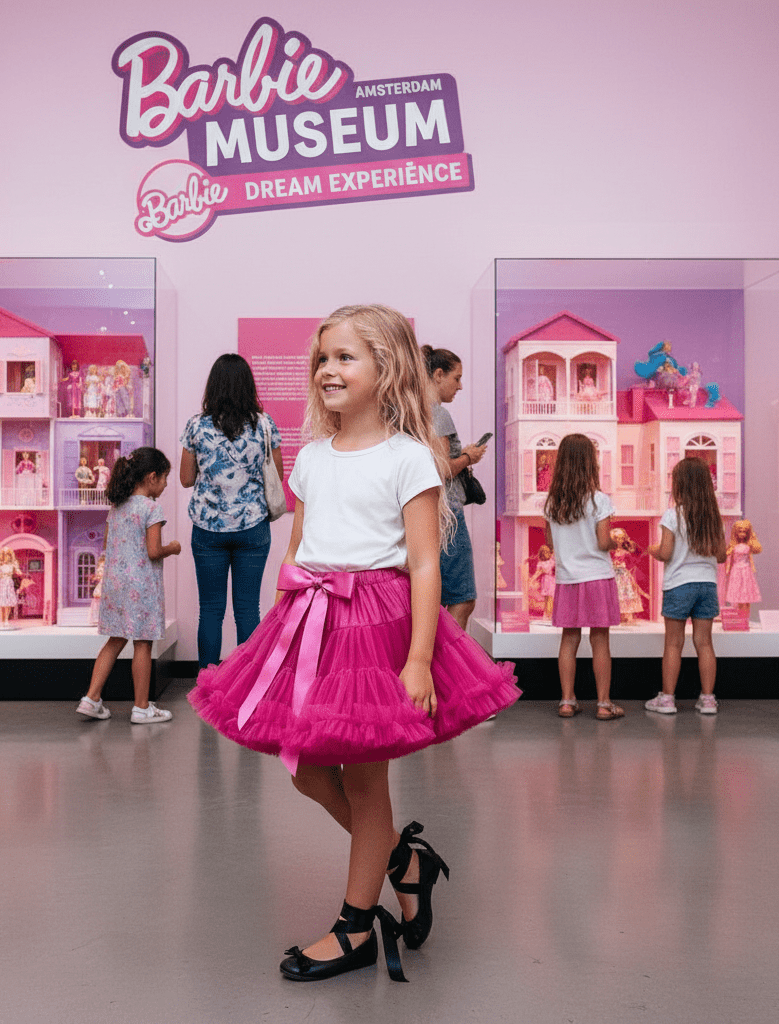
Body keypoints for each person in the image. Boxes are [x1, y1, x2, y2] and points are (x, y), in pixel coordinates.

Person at [188, 305, 520, 984]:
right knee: (308, 769)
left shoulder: (409, 459)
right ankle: (406, 861)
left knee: (367, 782)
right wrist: (273, 639)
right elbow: (298, 548)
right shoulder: (310, 457)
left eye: (345, 357)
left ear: (386, 368)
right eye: (322, 359)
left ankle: (355, 928)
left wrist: (421, 656)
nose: (328, 370)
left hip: (377, 626)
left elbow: (425, 564)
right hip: (311, 620)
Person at [179, 353, 283, 668]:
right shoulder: (264, 424)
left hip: (207, 529)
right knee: (248, 609)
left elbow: (186, 479)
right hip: (253, 528)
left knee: (210, 610)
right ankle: (246, 686)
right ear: (247, 385)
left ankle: (205, 685)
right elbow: (275, 475)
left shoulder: (196, 425)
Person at [76, 448, 181, 724]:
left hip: (115, 585)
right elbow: (154, 550)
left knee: (114, 641)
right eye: (165, 478)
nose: (166, 484)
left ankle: (91, 698)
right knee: (143, 644)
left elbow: (109, 544)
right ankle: (142, 707)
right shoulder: (151, 508)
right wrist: (173, 547)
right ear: (152, 477)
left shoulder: (117, 506)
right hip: (141, 587)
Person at [544, 433, 623, 719]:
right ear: (590, 462)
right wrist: (615, 542)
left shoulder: (552, 503)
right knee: (600, 640)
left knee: (569, 639)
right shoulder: (600, 500)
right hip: (598, 577)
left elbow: (551, 543)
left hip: (568, 579)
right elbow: (603, 542)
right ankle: (603, 704)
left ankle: (567, 700)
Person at [645, 457, 727, 715]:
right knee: (705, 643)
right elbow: (722, 556)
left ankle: (667, 699)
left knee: (673, 643)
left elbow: (666, 552)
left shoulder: (672, 515)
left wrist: (652, 549)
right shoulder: (713, 517)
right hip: (707, 585)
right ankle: (708, 699)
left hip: (679, 585)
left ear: (680, 485)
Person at [421, 345, 487, 630]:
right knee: (462, 598)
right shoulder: (437, 414)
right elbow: (440, 469)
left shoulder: (416, 413)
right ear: (438, 375)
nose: (459, 386)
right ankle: (449, 667)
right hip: (447, 512)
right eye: (456, 378)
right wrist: (468, 457)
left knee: (434, 596)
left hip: (431, 512)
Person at [723, 519, 762, 616]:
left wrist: (752, 568)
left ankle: (746, 616)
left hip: (746, 570)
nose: (742, 534)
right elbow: (730, 559)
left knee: (746, 593)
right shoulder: (733, 546)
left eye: (744, 532)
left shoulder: (748, 546)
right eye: (740, 531)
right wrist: (727, 570)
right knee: (737, 593)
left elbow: (750, 559)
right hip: (736, 570)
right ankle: (739, 615)